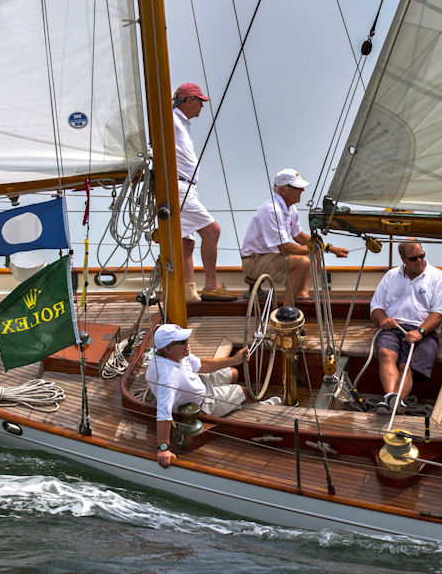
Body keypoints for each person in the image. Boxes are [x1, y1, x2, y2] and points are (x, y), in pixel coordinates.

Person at [146, 323, 251, 469]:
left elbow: (200, 365)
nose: (187, 343)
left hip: (199, 382)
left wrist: (235, 360)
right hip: (202, 403)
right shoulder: (168, 377)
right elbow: (163, 413)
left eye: (186, 338)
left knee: (234, 372)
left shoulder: (178, 355)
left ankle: (230, 383)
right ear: (167, 349)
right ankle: (266, 403)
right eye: (182, 341)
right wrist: (163, 449)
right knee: (243, 391)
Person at [240, 168, 348, 305]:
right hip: (254, 262)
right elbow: (284, 247)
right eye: (297, 187)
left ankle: (303, 294)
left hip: (270, 257)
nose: (302, 190)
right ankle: (287, 311)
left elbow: (299, 236)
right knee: (303, 261)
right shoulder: (272, 210)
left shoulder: (290, 209)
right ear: (282, 190)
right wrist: (317, 248)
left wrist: (328, 248)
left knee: (314, 254)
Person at [370, 239, 442, 414]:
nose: (420, 261)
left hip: (424, 331)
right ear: (403, 259)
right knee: (385, 353)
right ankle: (392, 400)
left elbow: (440, 313)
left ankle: (392, 402)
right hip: (393, 327)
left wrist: (420, 331)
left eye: (422, 256)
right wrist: (383, 319)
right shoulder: (391, 275)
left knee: (405, 366)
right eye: (414, 258)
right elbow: (376, 306)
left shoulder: (438, 277)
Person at [173, 82, 236, 302]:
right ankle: (211, 285)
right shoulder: (171, 119)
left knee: (186, 242)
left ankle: (188, 291)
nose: (202, 106)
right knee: (212, 231)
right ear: (189, 100)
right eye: (200, 101)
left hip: (186, 187)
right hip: (179, 187)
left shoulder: (182, 123)